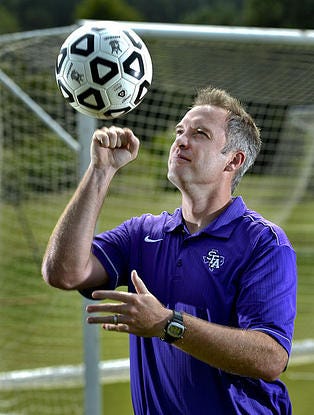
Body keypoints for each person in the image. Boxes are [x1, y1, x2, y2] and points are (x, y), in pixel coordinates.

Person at [42, 86, 297, 414]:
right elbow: (63, 272)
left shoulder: (264, 244)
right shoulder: (143, 233)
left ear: (233, 160)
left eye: (200, 134)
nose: (181, 140)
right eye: (180, 130)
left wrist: (167, 324)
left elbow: (271, 357)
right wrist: (101, 171)